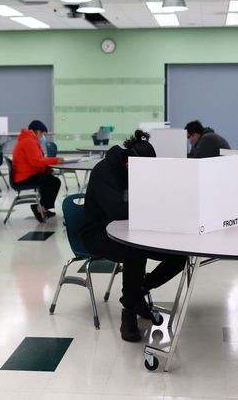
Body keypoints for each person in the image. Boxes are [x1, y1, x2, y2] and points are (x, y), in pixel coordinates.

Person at [80, 130, 186, 342]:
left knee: (178, 255)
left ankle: (139, 290)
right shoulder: (104, 172)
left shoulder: (137, 170)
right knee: (134, 252)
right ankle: (128, 312)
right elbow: (118, 212)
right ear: (128, 164)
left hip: (134, 230)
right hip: (98, 233)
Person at [11, 120, 64, 222]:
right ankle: (40, 208)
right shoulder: (29, 141)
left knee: (48, 179)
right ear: (38, 131)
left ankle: (42, 208)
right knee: (54, 182)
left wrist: (46, 168)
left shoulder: (28, 140)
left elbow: (35, 161)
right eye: (43, 134)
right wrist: (55, 160)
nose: (43, 137)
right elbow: (35, 161)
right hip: (24, 177)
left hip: (26, 174)